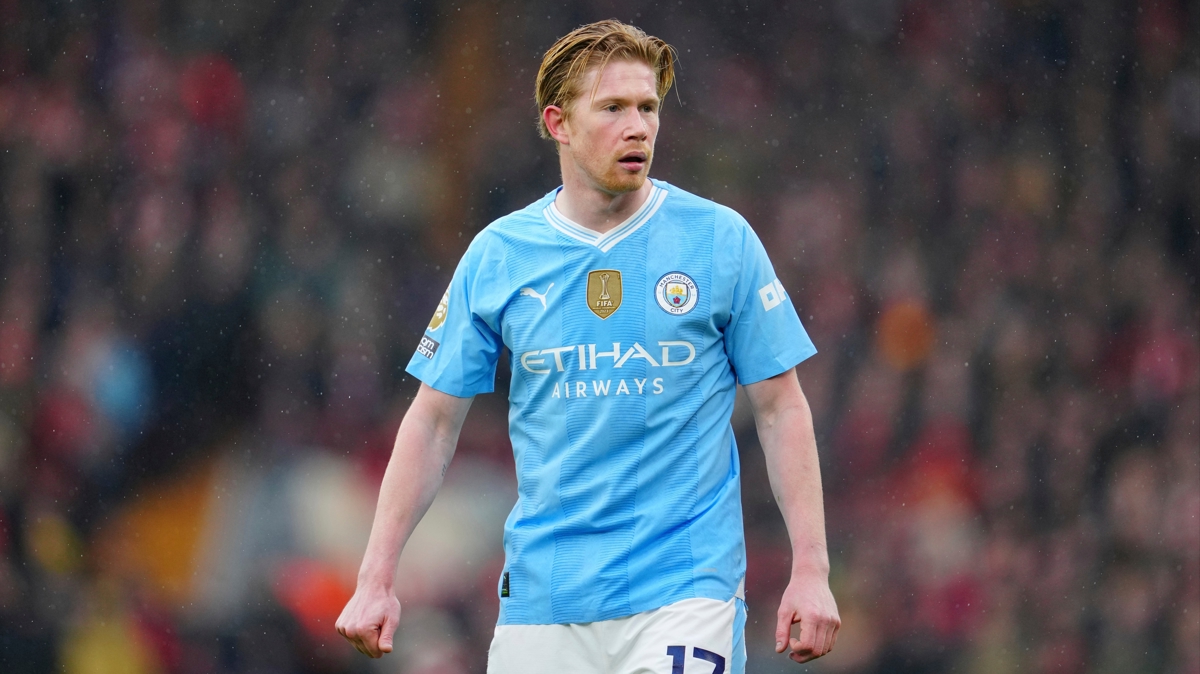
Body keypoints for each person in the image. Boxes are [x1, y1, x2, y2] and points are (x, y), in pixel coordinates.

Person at [336, 19, 840, 673]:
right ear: (559, 123)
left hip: (686, 589)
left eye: (648, 108)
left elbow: (781, 408)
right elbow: (433, 421)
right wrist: (375, 577)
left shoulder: (720, 240)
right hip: (543, 599)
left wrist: (811, 570)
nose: (638, 127)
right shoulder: (500, 255)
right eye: (613, 108)